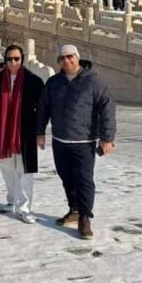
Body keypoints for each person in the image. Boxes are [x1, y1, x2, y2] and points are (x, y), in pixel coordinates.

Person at [37, 44, 116, 239]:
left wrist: (107, 138)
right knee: (66, 178)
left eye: (70, 57)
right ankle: (74, 209)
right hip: (60, 140)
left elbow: (107, 108)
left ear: (78, 58)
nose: (66, 61)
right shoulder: (54, 82)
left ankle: (85, 217)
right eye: (62, 58)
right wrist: (40, 132)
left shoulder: (92, 81)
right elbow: (43, 107)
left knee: (84, 181)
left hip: (84, 141)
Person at [0, 44, 45, 224]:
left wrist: (39, 131)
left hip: (24, 133)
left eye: (16, 59)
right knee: (7, 168)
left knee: (24, 171)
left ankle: (25, 208)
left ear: (22, 59)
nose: (13, 62)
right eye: (9, 59)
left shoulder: (33, 81)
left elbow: (41, 108)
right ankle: (12, 200)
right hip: (2, 133)